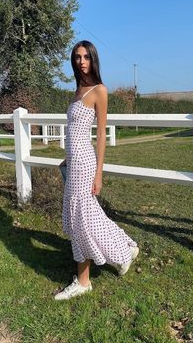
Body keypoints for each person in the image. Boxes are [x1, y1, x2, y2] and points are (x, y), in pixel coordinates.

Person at [55, 40, 139, 300]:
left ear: (93, 60)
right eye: (77, 57)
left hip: (86, 163)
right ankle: (126, 249)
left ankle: (83, 281)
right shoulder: (78, 89)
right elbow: (75, 132)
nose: (81, 61)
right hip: (74, 161)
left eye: (86, 57)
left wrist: (99, 173)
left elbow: (100, 134)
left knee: (83, 218)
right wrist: (66, 158)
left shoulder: (99, 90)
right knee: (88, 216)